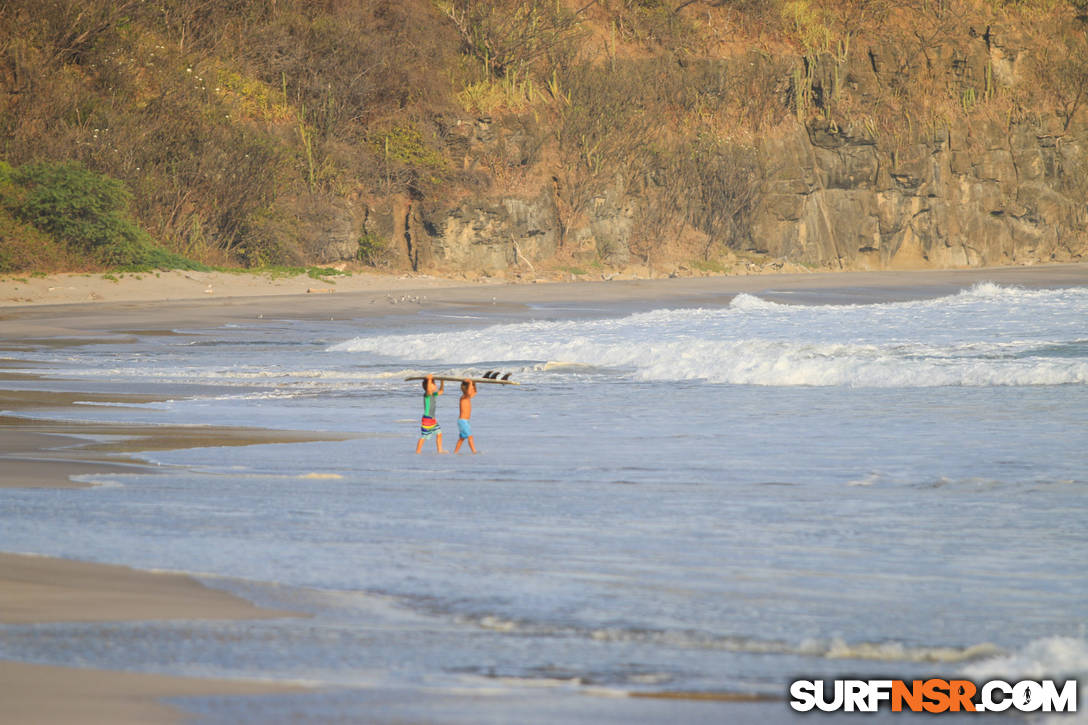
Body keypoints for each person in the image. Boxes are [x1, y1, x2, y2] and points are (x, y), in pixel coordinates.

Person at [415, 374, 445, 454]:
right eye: (434, 384)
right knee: (424, 436)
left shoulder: (434, 395)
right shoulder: (427, 395)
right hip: (427, 419)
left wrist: (442, 381)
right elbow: (428, 390)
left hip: (433, 419)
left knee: (439, 433)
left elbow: (441, 391)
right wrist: (429, 379)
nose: (435, 386)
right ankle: (418, 451)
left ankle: (440, 450)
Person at [453, 379, 478, 454]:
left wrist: (474, 384)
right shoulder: (463, 397)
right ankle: (474, 451)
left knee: (462, 438)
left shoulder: (468, 397)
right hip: (463, 421)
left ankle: (455, 452)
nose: (472, 389)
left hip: (465, 421)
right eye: (471, 388)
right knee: (470, 437)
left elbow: (475, 392)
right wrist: (470, 383)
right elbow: (469, 392)